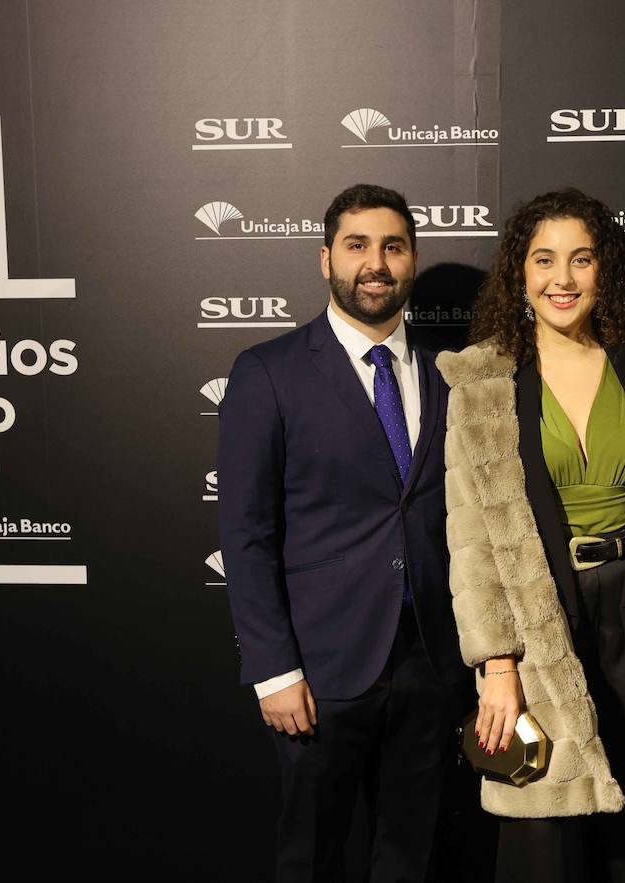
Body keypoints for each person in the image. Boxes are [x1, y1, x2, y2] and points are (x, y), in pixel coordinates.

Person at [437, 188, 625, 881]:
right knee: (545, 844)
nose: (563, 279)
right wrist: (496, 666)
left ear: (604, 270)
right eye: (545, 260)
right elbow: (469, 539)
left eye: (581, 260)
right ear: (519, 273)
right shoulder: (482, 381)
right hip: (539, 621)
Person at [218, 183, 470, 881]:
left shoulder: (453, 371)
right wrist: (274, 670)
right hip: (322, 670)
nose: (376, 263)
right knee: (311, 857)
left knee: (412, 857)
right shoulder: (268, 372)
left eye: (392, 246)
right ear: (325, 258)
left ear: (412, 258)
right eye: (357, 245)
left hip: (431, 662)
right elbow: (245, 534)